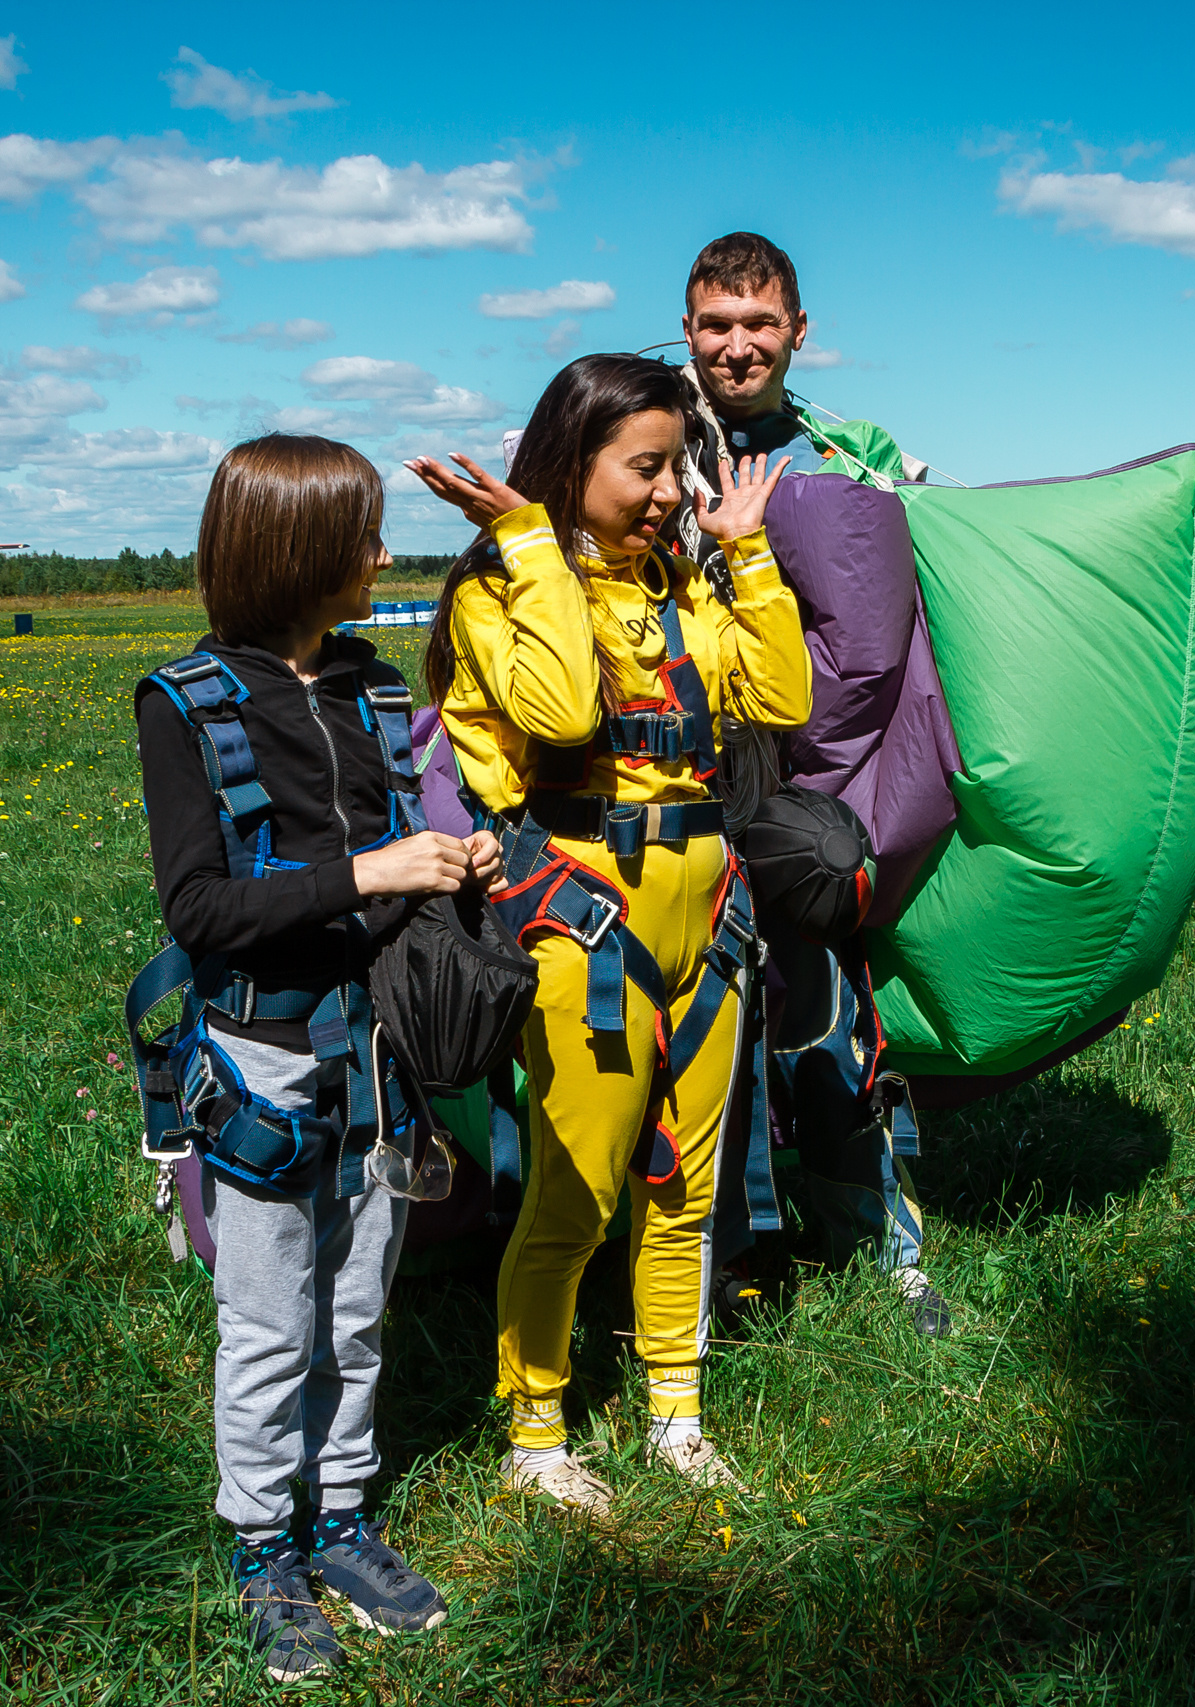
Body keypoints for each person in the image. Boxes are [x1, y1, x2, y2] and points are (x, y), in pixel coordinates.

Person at [408, 354, 812, 1514]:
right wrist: (533, 547)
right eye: (644, 469)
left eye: (674, 470)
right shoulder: (502, 591)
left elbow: (779, 702)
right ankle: (536, 1433)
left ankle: (674, 1413)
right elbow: (565, 715)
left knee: (686, 1189)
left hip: (709, 921)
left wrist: (744, 551)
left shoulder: (682, 582)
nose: (667, 493)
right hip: (589, 925)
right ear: (572, 464)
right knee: (576, 1190)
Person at [135, 435, 500, 1682]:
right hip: (266, 1060)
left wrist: (448, 866)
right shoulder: (184, 703)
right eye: (365, 536)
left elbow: (397, 857)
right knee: (267, 1319)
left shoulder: (373, 691)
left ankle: (340, 1519)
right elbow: (200, 912)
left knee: (356, 1310)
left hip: (381, 1054)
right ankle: (259, 1546)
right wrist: (373, 872)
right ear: (298, 549)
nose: (383, 555)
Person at [676, 231, 954, 1337]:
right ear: (686, 327)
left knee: (827, 1015)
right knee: (695, 1031)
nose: (736, 347)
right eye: (715, 324)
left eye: (758, 324)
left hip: (806, 779)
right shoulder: (646, 435)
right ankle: (720, 1262)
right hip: (669, 772)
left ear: (798, 331)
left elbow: (910, 594)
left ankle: (886, 1248)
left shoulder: (854, 448)